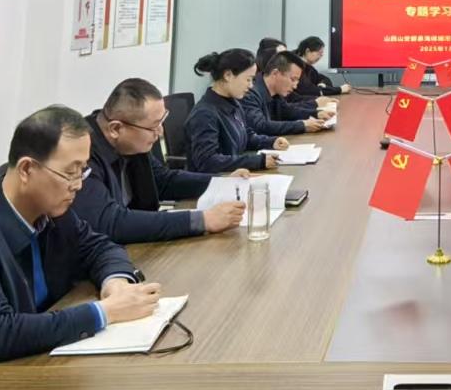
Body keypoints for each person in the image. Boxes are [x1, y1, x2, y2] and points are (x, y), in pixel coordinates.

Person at [0, 105, 164, 390]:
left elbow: (98, 245)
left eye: (83, 170)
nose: (78, 185)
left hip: (33, 365)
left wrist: (115, 283)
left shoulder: (50, 208)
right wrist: (105, 312)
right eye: (70, 173)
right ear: (27, 169)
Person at [75, 77, 247, 244]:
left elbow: (163, 180)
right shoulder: (81, 154)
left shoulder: (132, 143)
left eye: (162, 122)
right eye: (153, 126)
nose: (160, 132)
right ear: (116, 128)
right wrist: (203, 220)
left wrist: (221, 182)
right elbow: (110, 222)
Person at [186, 49, 285, 173]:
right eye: (248, 79)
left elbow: (245, 135)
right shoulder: (204, 114)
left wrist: (271, 142)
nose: (251, 86)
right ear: (228, 75)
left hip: (235, 176)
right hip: (217, 181)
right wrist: (257, 161)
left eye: (252, 80)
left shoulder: (233, 103)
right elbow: (208, 162)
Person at [242, 50, 327, 138]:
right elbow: (260, 126)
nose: (295, 86)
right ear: (275, 73)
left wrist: (317, 114)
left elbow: (289, 111)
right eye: (293, 79)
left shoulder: (276, 93)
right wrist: (302, 125)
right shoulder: (250, 93)